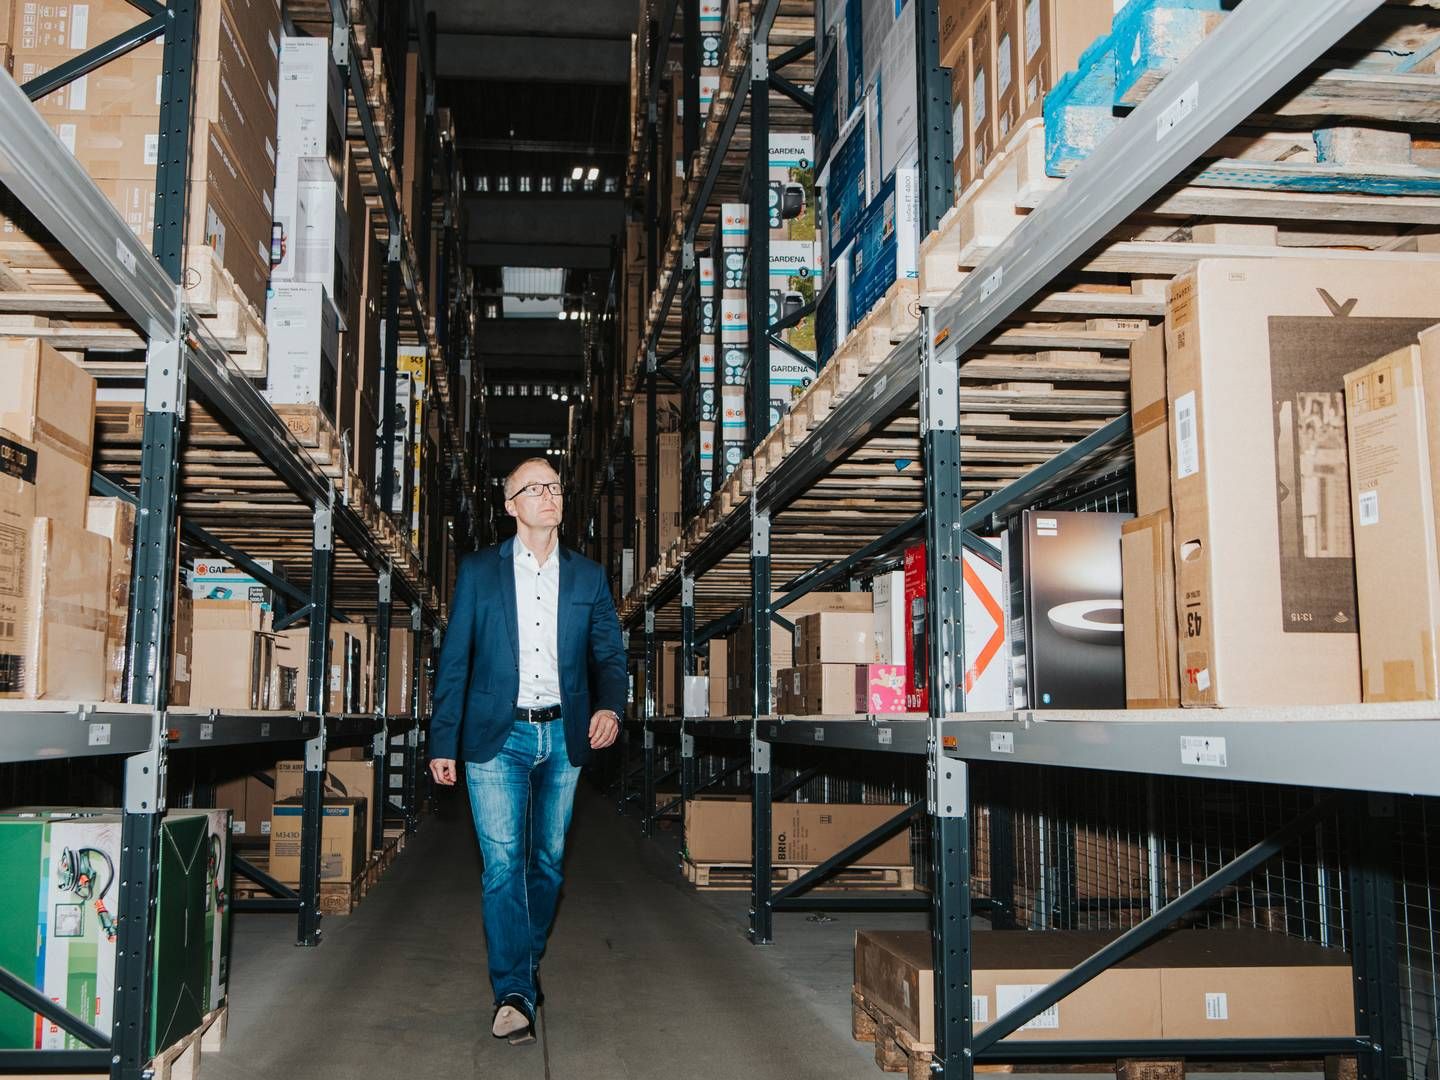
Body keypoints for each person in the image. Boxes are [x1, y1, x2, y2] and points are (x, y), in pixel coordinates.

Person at [428, 456, 626, 1046]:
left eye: (556, 486)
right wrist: (444, 739)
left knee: (548, 862)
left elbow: (610, 655)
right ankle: (513, 989)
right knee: (501, 866)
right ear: (510, 504)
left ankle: (524, 951)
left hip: (564, 734)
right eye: (534, 488)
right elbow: (455, 661)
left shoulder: (588, 577)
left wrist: (610, 707)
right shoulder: (479, 572)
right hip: (496, 735)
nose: (549, 495)